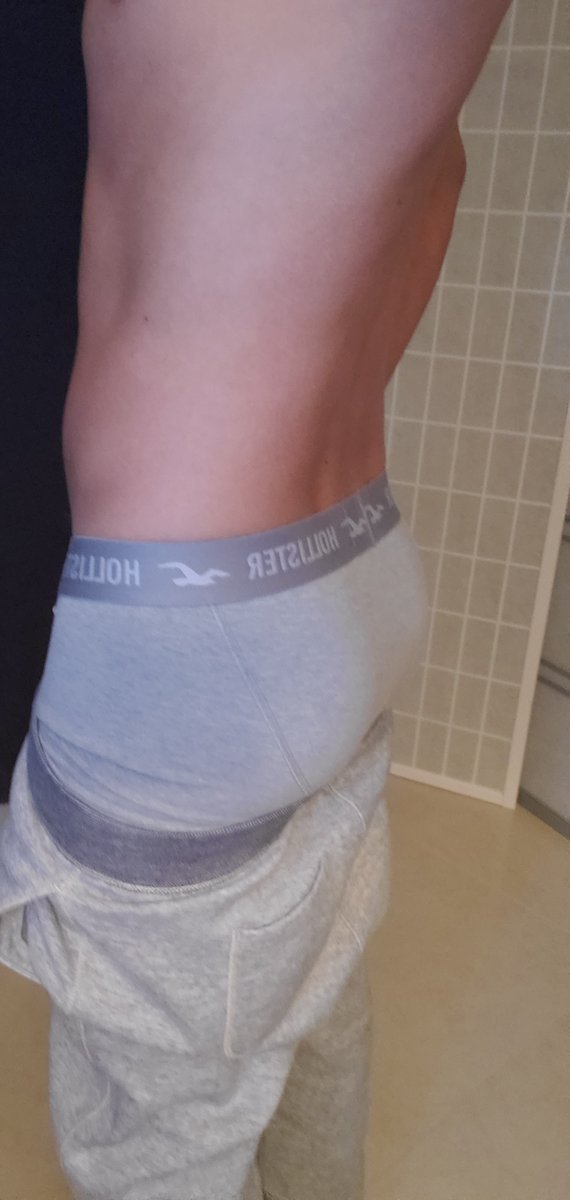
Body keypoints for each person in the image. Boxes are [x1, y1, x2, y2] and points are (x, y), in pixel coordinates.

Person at [0, 3, 511, 1198]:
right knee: (315, 989)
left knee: (158, 1140)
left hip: (179, 637)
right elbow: (429, 193)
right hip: (358, 561)